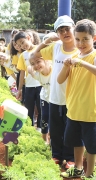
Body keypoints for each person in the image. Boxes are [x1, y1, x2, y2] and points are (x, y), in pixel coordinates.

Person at [33, 15, 78, 168]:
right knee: (56, 127)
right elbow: (34, 56)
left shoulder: (80, 49)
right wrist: (45, 42)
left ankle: (70, 157)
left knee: (71, 129)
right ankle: (56, 155)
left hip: (73, 97)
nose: (65, 33)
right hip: (55, 96)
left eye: (67, 29)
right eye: (61, 30)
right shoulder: (56, 47)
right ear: (57, 34)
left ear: (74, 28)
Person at [59, 19, 96, 179]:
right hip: (73, 110)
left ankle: (89, 174)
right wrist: (67, 66)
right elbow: (60, 80)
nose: (81, 43)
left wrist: (80, 62)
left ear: (93, 38)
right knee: (76, 142)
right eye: (78, 39)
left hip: (90, 111)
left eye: (85, 39)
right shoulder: (73, 57)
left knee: (92, 147)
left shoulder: (93, 56)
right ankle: (78, 168)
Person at [15, 31, 42, 130]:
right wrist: (20, 89)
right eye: (19, 45)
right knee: (28, 109)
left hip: (41, 84)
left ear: (28, 37)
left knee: (41, 108)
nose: (22, 46)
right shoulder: (23, 55)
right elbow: (22, 72)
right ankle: (29, 128)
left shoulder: (40, 49)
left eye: (22, 42)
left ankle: (40, 128)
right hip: (29, 86)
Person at [28, 53, 52, 144]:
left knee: (53, 121)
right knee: (44, 117)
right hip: (45, 98)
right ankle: (44, 140)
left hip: (55, 100)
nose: (36, 65)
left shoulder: (53, 70)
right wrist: (32, 67)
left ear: (46, 60)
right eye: (33, 63)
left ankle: (51, 140)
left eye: (38, 61)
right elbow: (28, 68)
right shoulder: (37, 75)